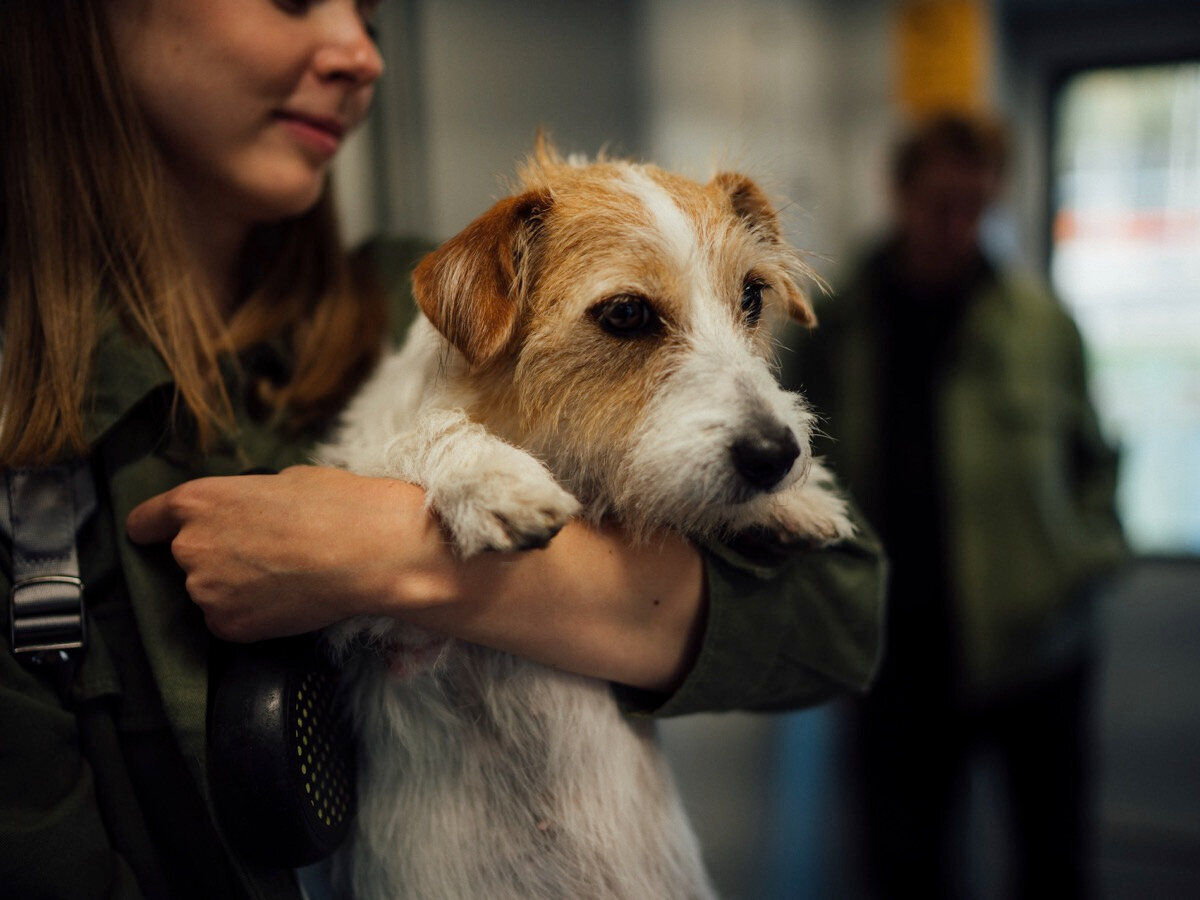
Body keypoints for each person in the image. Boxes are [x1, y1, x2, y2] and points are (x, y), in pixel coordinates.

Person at [0, 3, 885, 898]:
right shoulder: (30, 438)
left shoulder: (418, 310)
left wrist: (396, 555)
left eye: (373, 17)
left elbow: (840, 611)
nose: (361, 55)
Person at [781, 111, 1127, 898]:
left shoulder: (1042, 326)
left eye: (977, 205)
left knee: (1053, 860)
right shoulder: (840, 326)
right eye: (941, 201)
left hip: (1037, 648)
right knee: (904, 867)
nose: (958, 225)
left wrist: (1085, 562)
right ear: (899, 193)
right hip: (895, 651)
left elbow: (1095, 463)